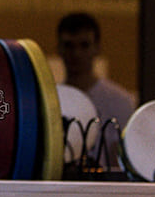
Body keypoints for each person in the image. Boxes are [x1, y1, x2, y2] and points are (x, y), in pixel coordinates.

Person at [56, 12, 135, 161]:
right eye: (69, 46)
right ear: (59, 48)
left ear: (97, 48)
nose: (76, 53)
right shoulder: (51, 101)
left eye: (84, 45)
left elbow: (124, 159)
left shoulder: (120, 102)